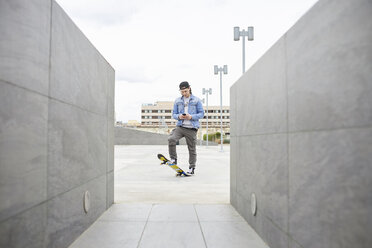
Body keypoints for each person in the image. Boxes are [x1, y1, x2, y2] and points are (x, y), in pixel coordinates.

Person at [168, 81, 204, 174]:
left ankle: (192, 168)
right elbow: (174, 114)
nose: (184, 93)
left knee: (191, 149)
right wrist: (179, 116)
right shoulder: (177, 101)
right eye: (182, 92)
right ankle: (173, 159)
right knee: (171, 139)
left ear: (189, 88)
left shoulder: (196, 100)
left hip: (192, 128)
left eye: (186, 91)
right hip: (181, 126)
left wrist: (191, 117)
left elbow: (201, 114)